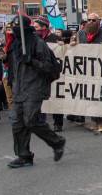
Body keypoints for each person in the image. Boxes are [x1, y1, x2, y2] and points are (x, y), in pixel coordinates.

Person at [5, 15, 65, 168]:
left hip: (35, 87)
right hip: (19, 88)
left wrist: (32, 61)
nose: (14, 30)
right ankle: (24, 156)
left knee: (31, 120)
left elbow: (49, 67)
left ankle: (57, 142)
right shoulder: (16, 44)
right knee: (17, 123)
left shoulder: (38, 44)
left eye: (17, 27)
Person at [73, 12, 102, 134]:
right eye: (89, 20)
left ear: (98, 22)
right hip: (86, 72)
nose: (90, 22)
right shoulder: (80, 33)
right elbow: (74, 49)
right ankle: (93, 121)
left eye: (93, 20)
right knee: (90, 98)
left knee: (100, 97)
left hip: (101, 72)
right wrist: (71, 45)